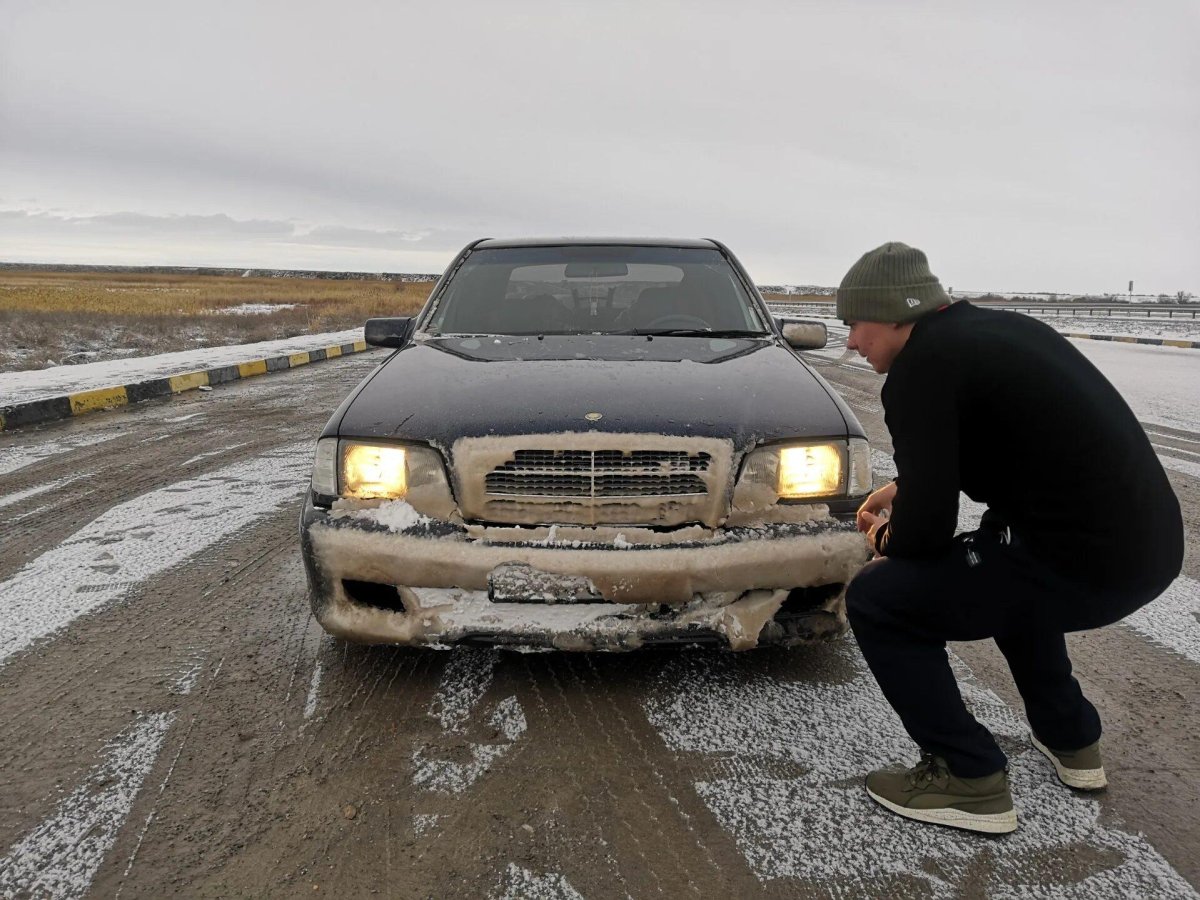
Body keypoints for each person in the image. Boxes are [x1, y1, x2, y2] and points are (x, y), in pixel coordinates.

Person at [838, 242, 1183, 834]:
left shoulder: (920, 369)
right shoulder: (998, 332)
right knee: (1003, 562)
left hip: (1081, 562)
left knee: (879, 598)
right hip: (1147, 548)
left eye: (855, 324)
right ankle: (1072, 742)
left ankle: (967, 776)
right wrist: (904, 485)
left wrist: (885, 539)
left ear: (897, 314)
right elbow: (1001, 437)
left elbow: (925, 535)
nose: (849, 341)